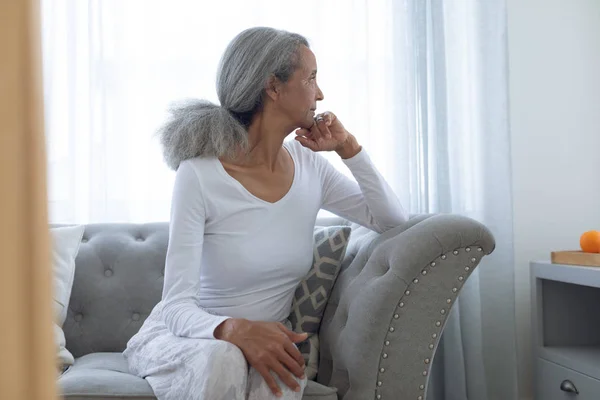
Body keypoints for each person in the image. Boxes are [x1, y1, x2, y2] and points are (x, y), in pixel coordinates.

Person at [123, 26, 408, 400]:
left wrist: (349, 148)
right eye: (311, 78)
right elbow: (176, 306)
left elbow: (390, 220)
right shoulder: (200, 175)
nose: (320, 94)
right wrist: (235, 330)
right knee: (225, 358)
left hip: (269, 342)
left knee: (278, 379)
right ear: (273, 87)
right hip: (191, 340)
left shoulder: (311, 168)